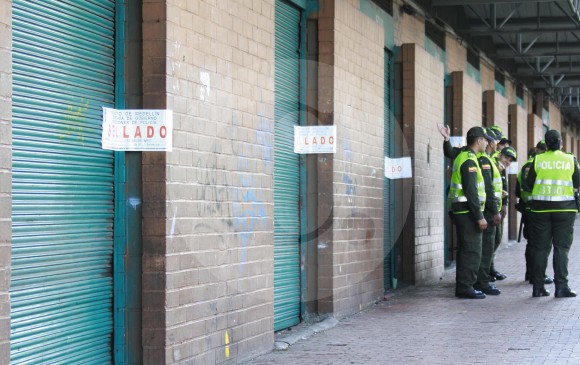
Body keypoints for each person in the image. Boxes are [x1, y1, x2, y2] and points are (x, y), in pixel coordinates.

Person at [524, 129, 580, 298]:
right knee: (561, 248)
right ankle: (561, 287)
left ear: (546, 144)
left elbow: (527, 185)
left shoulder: (537, 159)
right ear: (561, 143)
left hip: (540, 210)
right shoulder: (570, 159)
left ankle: (538, 287)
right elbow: (577, 182)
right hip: (565, 209)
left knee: (541, 248)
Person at [449, 126, 493, 299]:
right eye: (485, 140)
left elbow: (449, 151)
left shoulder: (463, 155)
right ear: (479, 140)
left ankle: (464, 285)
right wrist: (479, 216)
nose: (487, 143)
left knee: (465, 249)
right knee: (472, 250)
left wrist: (446, 141)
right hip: (467, 211)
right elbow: (471, 192)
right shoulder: (469, 161)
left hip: (462, 211)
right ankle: (465, 287)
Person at [516, 145, 554, 285]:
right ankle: (538, 275)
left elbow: (517, 191)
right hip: (540, 209)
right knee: (541, 244)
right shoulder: (543, 164)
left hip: (527, 207)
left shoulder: (526, 165)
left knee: (531, 242)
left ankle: (530, 273)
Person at [473, 130, 503, 295]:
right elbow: (489, 189)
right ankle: (482, 283)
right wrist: (495, 211)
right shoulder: (484, 160)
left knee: (485, 248)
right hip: (488, 211)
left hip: (486, 209)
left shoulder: (488, 160)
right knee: (486, 249)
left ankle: (480, 280)